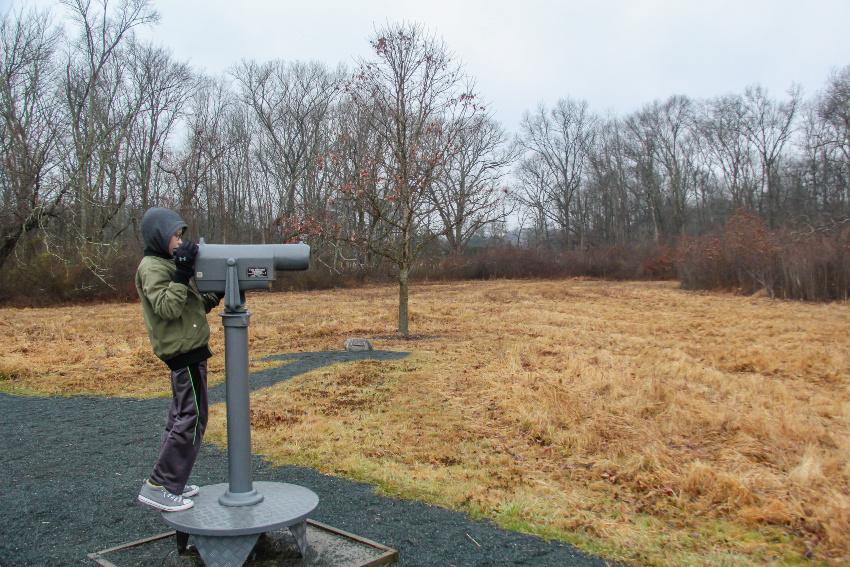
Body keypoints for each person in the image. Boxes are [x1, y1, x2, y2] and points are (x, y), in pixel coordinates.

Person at [135, 207, 221, 512]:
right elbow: (169, 308)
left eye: (182, 235)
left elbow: (190, 307)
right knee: (193, 417)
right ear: (159, 235)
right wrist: (183, 272)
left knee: (180, 417)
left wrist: (217, 290)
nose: (179, 241)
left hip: (189, 351)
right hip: (184, 355)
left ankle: (173, 481)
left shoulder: (166, 264)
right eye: (175, 234)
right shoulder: (153, 268)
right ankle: (160, 485)